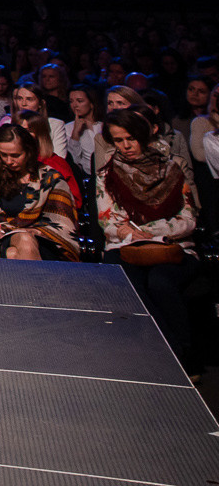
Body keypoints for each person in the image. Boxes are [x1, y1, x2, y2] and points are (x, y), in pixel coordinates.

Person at [97, 109, 200, 370]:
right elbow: (109, 222)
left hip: (171, 245)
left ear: (143, 136)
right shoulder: (107, 175)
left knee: (161, 282)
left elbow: (188, 217)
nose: (125, 146)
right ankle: (162, 356)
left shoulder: (171, 168)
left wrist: (154, 232)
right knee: (129, 283)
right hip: (127, 247)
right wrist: (133, 234)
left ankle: (184, 354)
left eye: (130, 138)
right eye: (118, 140)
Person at [0, 121, 79, 260]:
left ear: (29, 151)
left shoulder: (50, 178)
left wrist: (34, 231)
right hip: (3, 239)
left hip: (47, 241)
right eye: (4, 155)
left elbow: (63, 224)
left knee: (13, 253)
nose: (9, 161)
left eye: (15, 155)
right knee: (23, 240)